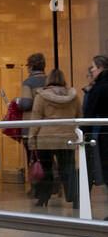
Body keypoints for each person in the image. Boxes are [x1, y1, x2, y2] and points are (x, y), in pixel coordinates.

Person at [28, 69, 81, 209]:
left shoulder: (41, 96)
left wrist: (31, 139)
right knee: (68, 169)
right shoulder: (73, 96)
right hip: (67, 138)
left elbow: (36, 119)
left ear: (49, 80)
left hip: (45, 139)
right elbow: (79, 116)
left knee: (46, 170)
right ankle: (74, 198)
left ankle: (43, 198)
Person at [18, 53, 47, 196]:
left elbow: (26, 103)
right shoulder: (49, 80)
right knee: (47, 157)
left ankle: (35, 186)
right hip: (47, 125)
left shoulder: (28, 82)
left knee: (32, 157)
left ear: (30, 67)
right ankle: (51, 184)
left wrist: (18, 102)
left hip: (31, 125)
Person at [84, 55, 108, 200]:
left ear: (100, 68)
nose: (92, 70)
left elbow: (89, 113)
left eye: (93, 67)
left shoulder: (99, 88)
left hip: (105, 134)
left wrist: (83, 133)